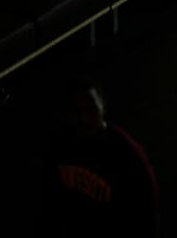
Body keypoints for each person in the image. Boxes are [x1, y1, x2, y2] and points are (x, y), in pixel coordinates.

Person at [45, 85, 159, 232]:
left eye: (91, 109)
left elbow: (147, 212)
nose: (84, 119)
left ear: (102, 108)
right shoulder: (59, 146)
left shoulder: (127, 154)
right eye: (76, 111)